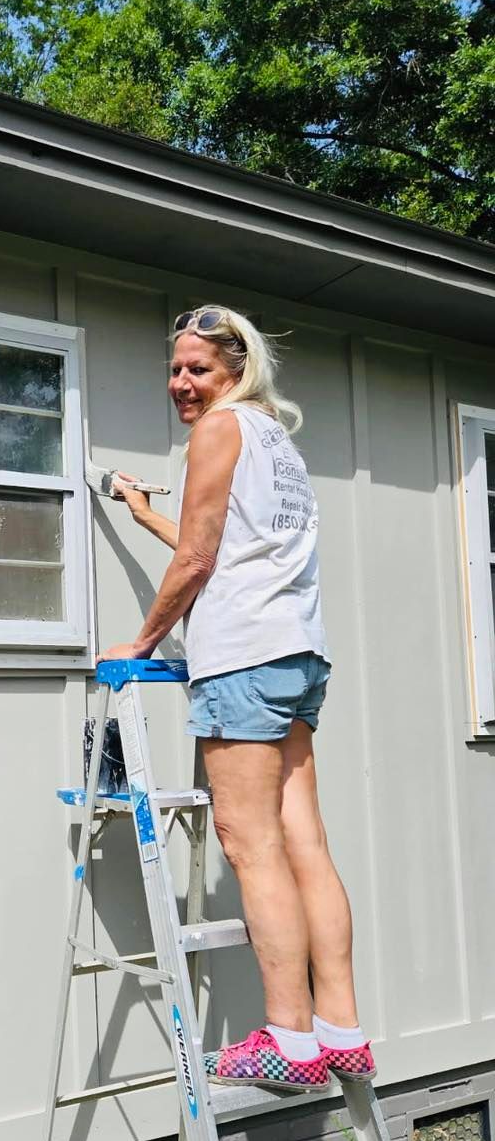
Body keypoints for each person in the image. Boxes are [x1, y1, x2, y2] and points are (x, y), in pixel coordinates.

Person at [99, 305, 374, 1093]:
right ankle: (339, 1029)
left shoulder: (217, 431)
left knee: (249, 845)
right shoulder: (272, 440)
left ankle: (287, 1039)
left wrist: (143, 640)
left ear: (235, 371)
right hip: (296, 653)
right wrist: (142, 507)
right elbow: (215, 542)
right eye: (176, 369)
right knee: (305, 843)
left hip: (246, 657)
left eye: (199, 370)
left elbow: (199, 557)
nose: (182, 383)